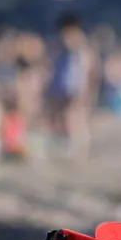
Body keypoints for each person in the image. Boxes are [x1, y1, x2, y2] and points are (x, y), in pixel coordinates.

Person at [46, 13, 95, 159]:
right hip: (67, 89)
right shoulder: (68, 49)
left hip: (75, 88)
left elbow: (86, 71)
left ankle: (79, 151)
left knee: (75, 118)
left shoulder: (80, 48)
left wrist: (85, 91)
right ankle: (76, 149)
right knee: (69, 119)